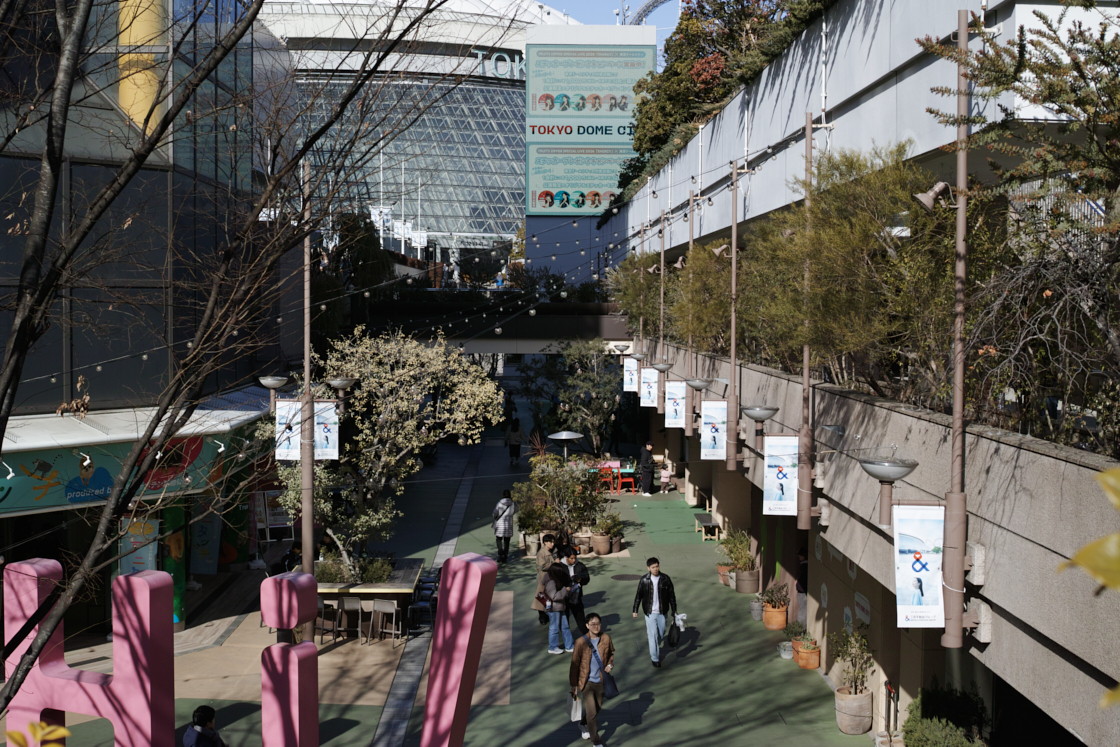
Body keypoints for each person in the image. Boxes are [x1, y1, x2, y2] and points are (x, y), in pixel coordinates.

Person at [570, 613, 614, 747]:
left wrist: (610, 664)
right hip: (586, 682)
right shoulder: (580, 642)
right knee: (592, 713)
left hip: (601, 681)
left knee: (598, 708)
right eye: (593, 624)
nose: (596, 626)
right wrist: (574, 684)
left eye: (598, 624)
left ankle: (583, 724)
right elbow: (575, 664)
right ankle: (596, 741)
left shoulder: (606, 638)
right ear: (587, 625)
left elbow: (611, 653)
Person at [632, 556, 677, 668]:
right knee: (652, 635)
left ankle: (655, 646)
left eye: (657, 566)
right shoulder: (644, 580)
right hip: (650, 613)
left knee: (661, 633)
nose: (656, 569)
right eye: (653, 567)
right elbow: (639, 596)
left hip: (662, 612)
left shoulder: (665, 579)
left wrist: (674, 610)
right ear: (648, 568)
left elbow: (672, 596)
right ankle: (655, 658)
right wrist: (635, 609)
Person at [559, 545, 590, 635]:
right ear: (566, 557)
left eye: (575, 558)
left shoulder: (580, 566)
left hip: (576, 597)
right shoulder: (560, 567)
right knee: (564, 620)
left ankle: (588, 637)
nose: (573, 560)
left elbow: (587, 578)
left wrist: (581, 580)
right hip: (564, 597)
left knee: (580, 618)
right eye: (571, 558)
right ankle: (567, 641)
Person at [544, 562, 574, 654]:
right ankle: (552, 647)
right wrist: (565, 590)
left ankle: (569, 645)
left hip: (559, 607)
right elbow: (555, 596)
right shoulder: (551, 582)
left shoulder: (554, 580)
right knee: (554, 627)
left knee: (565, 627)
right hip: (553, 609)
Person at [531, 534, 558, 625]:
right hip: (543, 577)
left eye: (553, 542)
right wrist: (555, 563)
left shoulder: (553, 551)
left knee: (550, 596)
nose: (552, 544)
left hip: (552, 576)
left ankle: (549, 614)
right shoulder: (542, 553)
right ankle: (542, 616)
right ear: (545, 542)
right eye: (551, 542)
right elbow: (543, 566)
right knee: (541, 596)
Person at [492, 490, 517, 563]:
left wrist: (495, 516)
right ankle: (505, 555)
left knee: (498, 539)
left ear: (503, 495)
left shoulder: (499, 503)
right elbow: (515, 511)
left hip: (500, 524)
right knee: (507, 541)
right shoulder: (512, 504)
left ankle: (500, 553)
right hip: (508, 525)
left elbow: (495, 513)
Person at [796, 547, 809, 626]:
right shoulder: (805, 566)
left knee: (803, 610)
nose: (799, 558)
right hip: (802, 591)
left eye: (800, 556)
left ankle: (800, 628)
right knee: (803, 609)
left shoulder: (804, 566)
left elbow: (803, 579)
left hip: (802, 591)